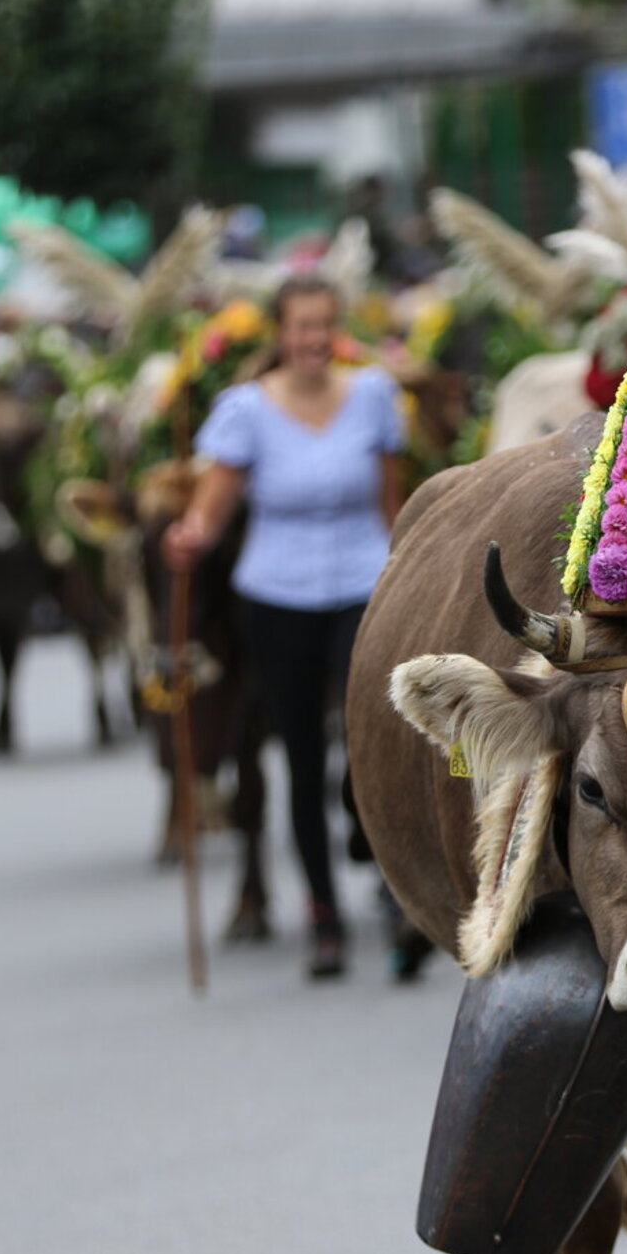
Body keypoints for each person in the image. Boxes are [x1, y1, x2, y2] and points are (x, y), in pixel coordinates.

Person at [164, 273, 405, 979]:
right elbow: (211, 506)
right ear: (280, 334)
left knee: (374, 738)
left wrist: (415, 565)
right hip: (277, 592)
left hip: (363, 580)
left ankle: (390, 880)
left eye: (322, 326)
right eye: (299, 327)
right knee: (301, 755)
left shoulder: (373, 396)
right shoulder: (244, 411)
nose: (311, 341)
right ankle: (324, 913)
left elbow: (390, 501)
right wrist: (190, 535)